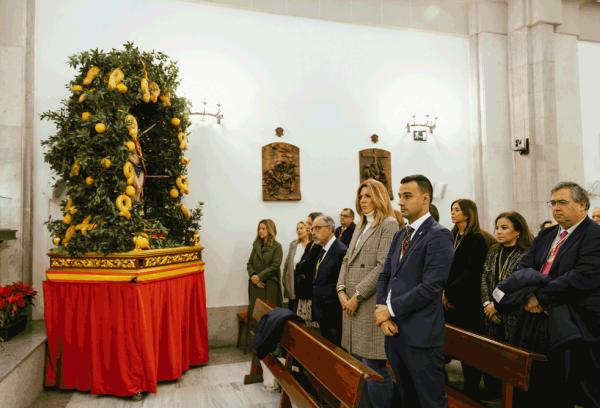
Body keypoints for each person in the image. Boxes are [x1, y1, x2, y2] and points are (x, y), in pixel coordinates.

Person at [516, 181, 600, 408]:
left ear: (582, 205)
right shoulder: (546, 234)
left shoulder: (594, 234)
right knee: (535, 383)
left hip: (573, 322)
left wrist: (539, 297)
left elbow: (581, 277)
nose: (555, 208)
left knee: (566, 388)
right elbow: (524, 268)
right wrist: (528, 296)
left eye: (562, 202)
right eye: (552, 203)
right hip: (535, 318)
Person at [375, 174, 454, 408]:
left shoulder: (438, 234)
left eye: (407, 196)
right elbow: (386, 275)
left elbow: (431, 287)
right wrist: (382, 314)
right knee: (406, 398)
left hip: (421, 335)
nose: (399, 202)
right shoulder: (401, 234)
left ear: (425, 198)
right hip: (395, 332)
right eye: (399, 196)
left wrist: (389, 310)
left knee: (430, 401)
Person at [337, 179, 399, 408]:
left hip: (368, 303)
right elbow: (346, 260)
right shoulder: (361, 225)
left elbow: (383, 266)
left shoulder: (389, 224)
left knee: (373, 366)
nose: (363, 201)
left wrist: (357, 296)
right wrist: (341, 290)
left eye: (368, 196)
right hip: (350, 304)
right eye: (361, 196)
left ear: (380, 197)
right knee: (356, 366)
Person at [480, 212, 533, 398]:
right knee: (492, 353)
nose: (499, 232)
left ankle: (512, 395)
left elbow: (520, 286)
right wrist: (488, 303)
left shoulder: (526, 253)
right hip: (489, 311)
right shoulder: (494, 250)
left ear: (517, 231)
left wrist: (498, 306)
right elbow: (485, 278)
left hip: (513, 312)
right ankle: (493, 390)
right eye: (497, 228)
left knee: (511, 356)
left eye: (504, 228)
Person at [442, 199, 489, 399]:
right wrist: (442, 292)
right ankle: (450, 388)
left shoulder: (477, 239)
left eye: (457, 210)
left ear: (468, 214)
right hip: (447, 298)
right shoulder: (450, 236)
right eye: (451, 209)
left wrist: (449, 293)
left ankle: (471, 389)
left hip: (467, 301)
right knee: (451, 344)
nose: (452, 213)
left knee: (469, 348)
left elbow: (471, 273)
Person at [311, 215, 348, 347]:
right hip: (322, 311)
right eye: (312, 229)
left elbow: (343, 282)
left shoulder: (341, 251)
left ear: (329, 229)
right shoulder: (322, 250)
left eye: (317, 228)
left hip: (333, 314)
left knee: (335, 349)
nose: (313, 232)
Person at [247, 219, 283, 319]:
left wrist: (259, 277)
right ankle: (255, 334)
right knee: (255, 315)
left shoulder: (277, 246)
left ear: (270, 230)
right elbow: (249, 263)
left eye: (263, 228)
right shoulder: (256, 245)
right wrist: (253, 276)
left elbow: (275, 266)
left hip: (270, 285)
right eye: (259, 228)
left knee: (270, 316)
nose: (260, 231)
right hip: (255, 285)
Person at [294, 212, 323, 328]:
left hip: (311, 294)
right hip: (303, 292)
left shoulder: (319, 245)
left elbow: (307, 266)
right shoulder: (310, 244)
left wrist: (301, 266)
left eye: (309, 223)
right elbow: (299, 267)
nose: (306, 226)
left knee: (312, 329)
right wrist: (301, 267)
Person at [282, 221, 310, 313]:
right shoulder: (294, 245)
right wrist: (285, 282)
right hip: (294, 282)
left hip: (307, 282)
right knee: (293, 310)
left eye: (301, 228)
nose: (299, 230)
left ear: (307, 229)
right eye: (297, 229)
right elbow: (287, 265)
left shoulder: (314, 245)